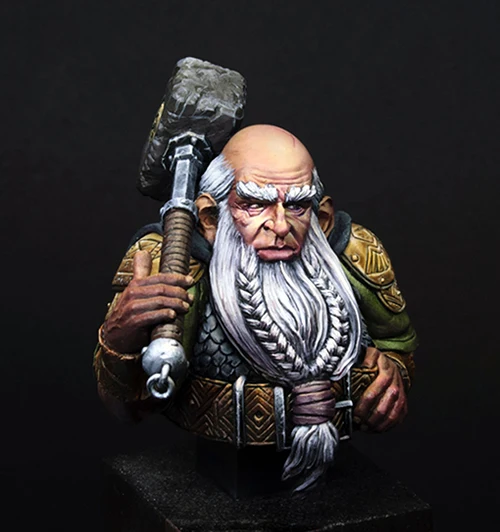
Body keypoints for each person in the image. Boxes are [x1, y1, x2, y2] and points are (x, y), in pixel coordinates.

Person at [94, 124, 417, 490]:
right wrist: (121, 336)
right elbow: (129, 408)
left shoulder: (357, 254)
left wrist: (392, 376)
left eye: (297, 205)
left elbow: (398, 345)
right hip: (224, 470)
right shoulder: (175, 265)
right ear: (210, 218)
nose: (279, 226)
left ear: (322, 217)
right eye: (254, 204)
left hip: (338, 470)